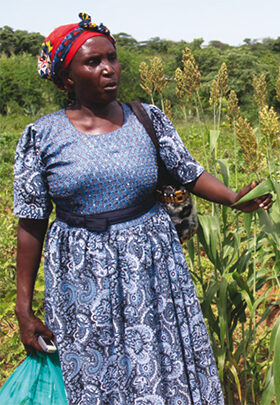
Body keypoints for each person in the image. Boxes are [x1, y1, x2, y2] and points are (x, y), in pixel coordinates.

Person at [14, 12, 272, 405]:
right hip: (82, 276)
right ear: (67, 78)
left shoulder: (147, 118)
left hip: (151, 265)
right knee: (96, 369)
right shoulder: (41, 137)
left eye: (112, 58)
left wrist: (234, 198)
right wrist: (24, 308)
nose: (108, 69)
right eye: (93, 62)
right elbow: (31, 223)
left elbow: (189, 172)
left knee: (162, 357)